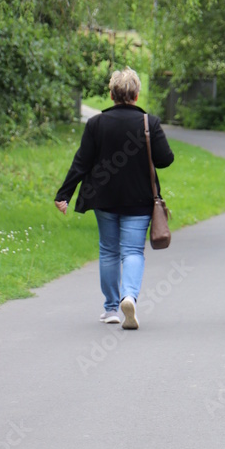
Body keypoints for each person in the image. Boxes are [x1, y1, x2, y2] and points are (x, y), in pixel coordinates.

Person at [54, 67, 174, 329]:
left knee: (109, 250)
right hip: (139, 199)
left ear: (111, 94)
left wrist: (64, 194)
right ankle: (128, 297)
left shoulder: (96, 124)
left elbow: (81, 161)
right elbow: (165, 159)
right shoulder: (149, 123)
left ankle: (110, 308)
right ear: (137, 94)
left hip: (104, 198)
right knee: (133, 250)